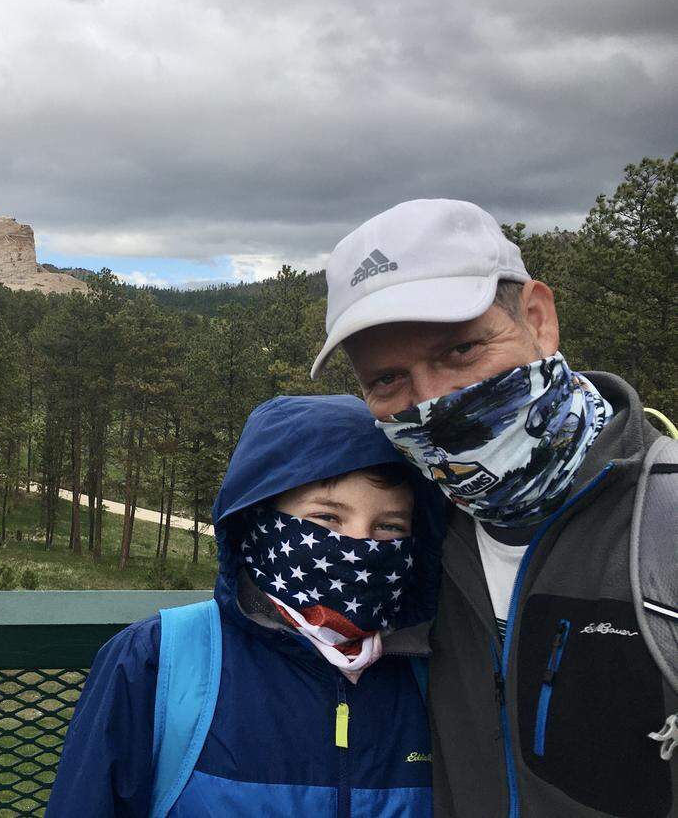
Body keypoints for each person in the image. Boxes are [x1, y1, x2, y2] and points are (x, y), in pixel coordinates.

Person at [311, 198, 677, 817]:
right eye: (387, 381)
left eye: (460, 352)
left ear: (537, 317)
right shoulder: (408, 541)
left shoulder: (664, 520)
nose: (434, 403)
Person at [47, 395, 443, 817]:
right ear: (258, 520)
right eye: (327, 519)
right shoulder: (156, 660)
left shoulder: (430, 670)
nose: (360, 545)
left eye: (389, 527)